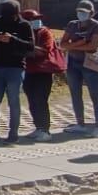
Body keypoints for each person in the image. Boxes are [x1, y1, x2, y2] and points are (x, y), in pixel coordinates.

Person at [0, 0, 34, 144]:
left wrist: (12, 39)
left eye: (9, 14)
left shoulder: (24, 25)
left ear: (16, 13)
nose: (6, 17)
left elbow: (30, 46)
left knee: (14, 102)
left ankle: (13, 133)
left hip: (15, 68)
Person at [58, 0, 98, 138]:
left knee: (95, 94)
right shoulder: (72, 25)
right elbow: (62, 44)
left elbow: (92, 46)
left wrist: (73, 45)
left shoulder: (96, 26)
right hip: (73, 62)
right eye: (79, 11)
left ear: (91, 13)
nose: (81, 14)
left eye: (84, 12)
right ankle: (80, 123)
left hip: (90, 63)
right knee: (75, 93)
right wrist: (80, 43)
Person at [22, 8, 63, 142]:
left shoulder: (45, 32)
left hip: (43, 71)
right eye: (32, 20)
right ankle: (38, 127)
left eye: (36, 19)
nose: (36, 22)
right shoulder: (24, 33)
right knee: (32, 100)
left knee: (41, 100)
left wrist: (26, 49)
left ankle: (45, 129)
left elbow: (44, 51)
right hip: (29, 71)